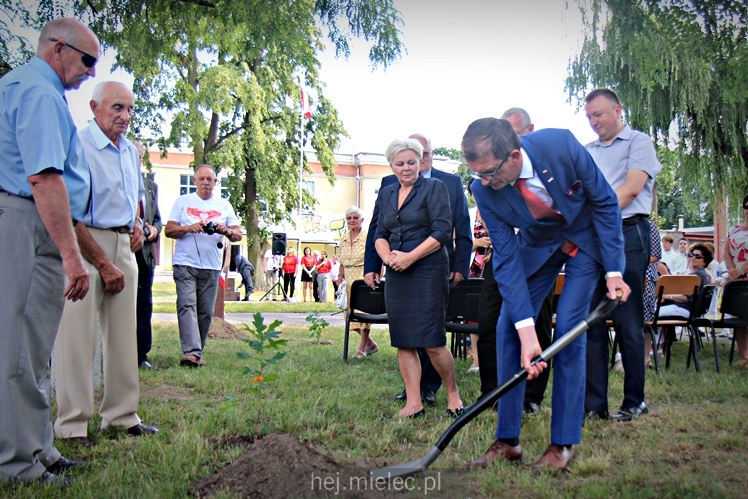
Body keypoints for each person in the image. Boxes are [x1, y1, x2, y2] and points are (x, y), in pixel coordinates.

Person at [463, 117, 629, 471]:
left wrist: (614, 270)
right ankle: (508, 440)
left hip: (585, 243)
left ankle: (562, 444)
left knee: (569, 330)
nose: (486, 182)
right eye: (478, 174)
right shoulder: (483, 189)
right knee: (509, 324)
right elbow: (506, 258)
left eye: (491, 172)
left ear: (514, 154)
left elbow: (603, 201)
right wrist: (526, 332)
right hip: (539, 246)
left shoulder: (561, 145)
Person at [0, 17, 94, 485]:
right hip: (27, 223)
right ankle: (19, 464)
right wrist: (72, 256)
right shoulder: (37, 94)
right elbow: (44, 178)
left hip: (28, 222)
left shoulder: (28, 87)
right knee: (21, 351)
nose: (91, 72)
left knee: (35, 349)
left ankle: (38, 448)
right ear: (57, 49)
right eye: (86, 60)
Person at [53, 81, 158, 447]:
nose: (125, 117)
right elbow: (67, 210)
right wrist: (100, 260)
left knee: (123, 337)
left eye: (129, 109)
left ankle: (121, 416)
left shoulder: (130, 151)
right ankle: (72, 424)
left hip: (122, 246)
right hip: (85, 243)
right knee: (76, 338)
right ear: (95, 107)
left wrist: (137, 227)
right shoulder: (78, 145)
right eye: (117, 108)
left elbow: (129, 199)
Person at [365, 133, 471, 407]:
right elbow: (379, 231)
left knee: (432, 340)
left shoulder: (435, 187)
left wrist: (410, 257)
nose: (407, 168)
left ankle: (453, 396)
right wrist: (387, 257)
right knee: (403, 341)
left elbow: (443, 231)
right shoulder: (387, 192)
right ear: (392, 166)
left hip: (428, 270)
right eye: (400, 164)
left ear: (420, 161)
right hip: (397, 273)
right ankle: (414, 403)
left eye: (411, 162)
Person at [583, 88, 661, 423]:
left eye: (598, 114)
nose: (593, 122)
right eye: (588, 117)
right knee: (592, 321)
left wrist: (596, 213)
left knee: (627, 319)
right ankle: (594, 404)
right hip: (592, 238)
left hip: (628, 231)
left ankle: (634, 400)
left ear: (617, 110)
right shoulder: (585, 151)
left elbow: (631, 190)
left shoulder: (638, 142)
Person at [474, 107, 555, 416]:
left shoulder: (545, 168)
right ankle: (491, 392)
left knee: (538, 322)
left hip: (540, 258)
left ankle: (530, 396)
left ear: (529, 131)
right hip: (504, 257)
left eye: (513, 135)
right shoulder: (491, 180)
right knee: (490, 322)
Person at [165, 164, 242, 367]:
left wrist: (226, 230)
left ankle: (196, 352)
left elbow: (238, 234)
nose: (206, 183)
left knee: (205, 311)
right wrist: (190, 228)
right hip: (185, 263)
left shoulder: (224, 205)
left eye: (210, 179)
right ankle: (191, 352)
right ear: (194, 181)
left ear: (216, 183)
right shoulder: (183, 202)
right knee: (186, 304)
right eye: (202, 179)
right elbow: (169, 230)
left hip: (211, 265)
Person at [133, 141, 162, 370]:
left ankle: (141, 355)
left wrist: (154, 229)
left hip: (145, 256)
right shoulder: (117, 181)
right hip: (121, 251)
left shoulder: (150, 186)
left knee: (144, 305)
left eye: (139, 156)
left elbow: (156, 219)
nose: (135, 159)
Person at [335, 206, 378, 358]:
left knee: (363, 313)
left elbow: (376, 258)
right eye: (349, 218)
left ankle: (362, 349)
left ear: (362, 220)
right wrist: (340, 276)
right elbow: (341, 259)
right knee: (349, 314)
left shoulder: (368, 236)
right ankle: (371, 344)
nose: (352, 221)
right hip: (348, 279)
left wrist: (375, 275)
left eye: (355, 218)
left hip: (363, 277)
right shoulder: (344, 237)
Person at [724, 194, 748, 366]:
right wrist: (732, 272)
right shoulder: (734, 230)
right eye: (746, 206)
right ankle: (744, 356)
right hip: (736, 279)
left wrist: (738, 271)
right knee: (739, 316)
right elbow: (726, 252)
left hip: (740, 273)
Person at [657, 243, 712, 319]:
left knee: (649, 313)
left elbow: (685, 298)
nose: (693, 257)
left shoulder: (697, 275)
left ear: (705, 261)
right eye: (691, 254)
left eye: (698, 256)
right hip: (688, 310)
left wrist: (667, 296)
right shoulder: (702, 274)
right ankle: (668, 331)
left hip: (685, 309)